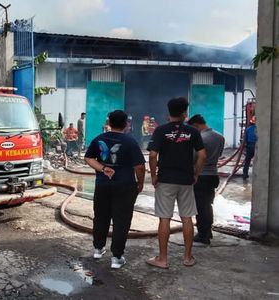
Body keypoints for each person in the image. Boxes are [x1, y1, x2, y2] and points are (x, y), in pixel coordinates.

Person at [146, 97, 206, 269]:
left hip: (165, 179)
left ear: (169, 112)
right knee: (187, 217)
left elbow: (152, 155)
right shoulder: (193, 132)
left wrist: (154, 175)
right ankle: (187, 258)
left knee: (164, 218)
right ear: (185, 114)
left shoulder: (160, 130)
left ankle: (163, 259)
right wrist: (196, 174)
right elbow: (202, 155)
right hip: (186, 179)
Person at [85, 110, 146, 269]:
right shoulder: (130, 142)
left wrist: (103, 168)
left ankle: (98, 249)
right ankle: (116, 257)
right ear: (126, 124)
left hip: (103, 186)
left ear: (109, 123)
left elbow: (88, 158)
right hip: (125, 186)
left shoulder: (99, 139)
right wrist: (140, 183)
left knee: (101, 217)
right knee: (122, 221)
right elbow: (139, 166)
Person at [188, 114, 225, 245]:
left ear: (196, 126)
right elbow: (219, 155)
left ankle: (203, 235)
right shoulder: (220, 137)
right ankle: (207, 231)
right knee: (207, 205)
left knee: (200, 206)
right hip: (213, 175)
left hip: (201, 175)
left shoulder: (200, 138)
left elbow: (193, 158)